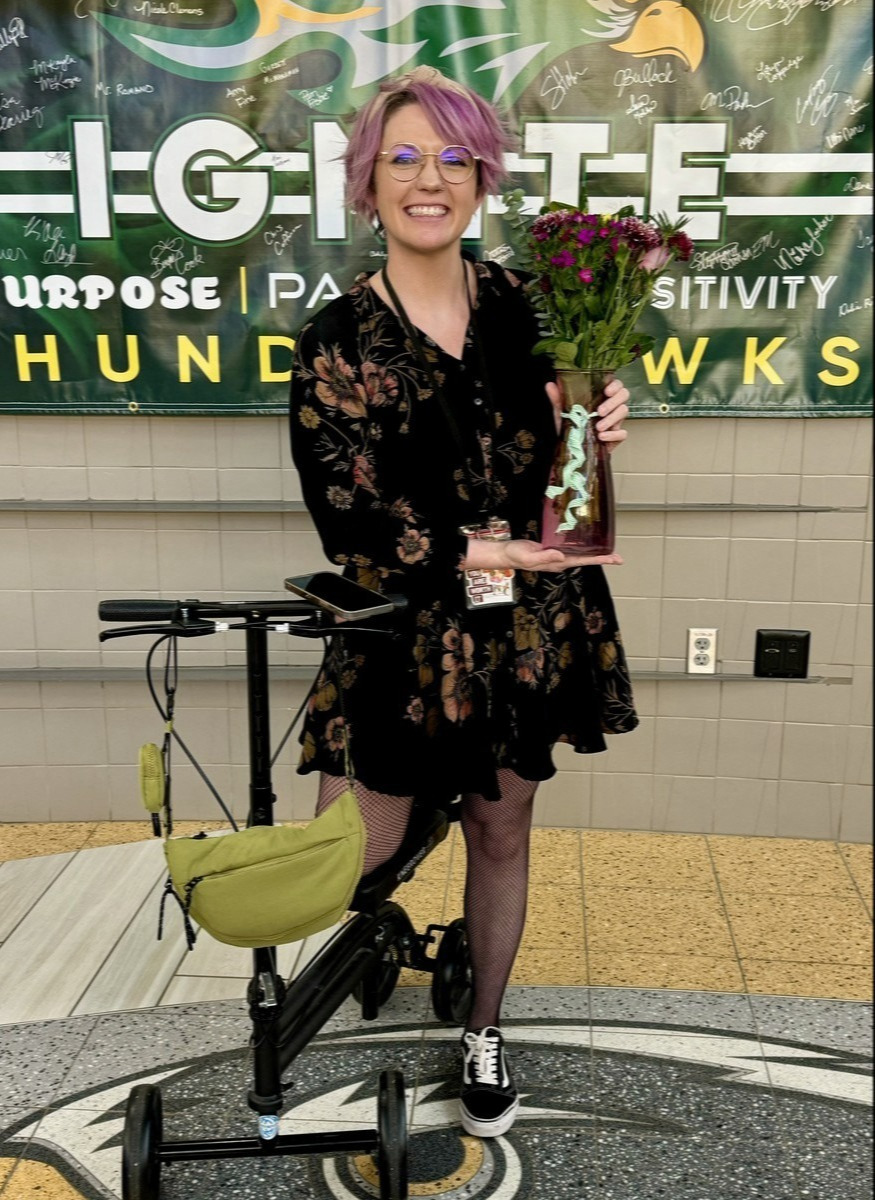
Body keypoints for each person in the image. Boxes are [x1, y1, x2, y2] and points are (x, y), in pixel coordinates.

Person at [289, 65, 637, 1140]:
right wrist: (477, 547)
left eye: (449, 156)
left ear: (481, 177)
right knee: (353, 857)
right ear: (367, 184)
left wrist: (601, 412)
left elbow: (561, 458)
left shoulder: (532, 309)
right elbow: (350, 517)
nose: (426, 179)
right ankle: (385, 929)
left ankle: (482, 1023)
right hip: (403, 635)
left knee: (500, 825)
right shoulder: (337, 341)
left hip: (524, 631)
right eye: (401, 157)